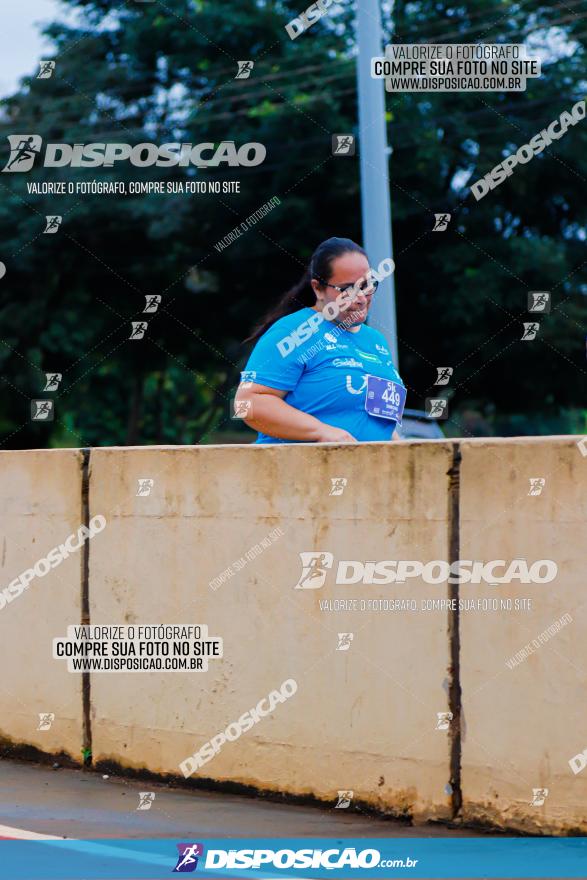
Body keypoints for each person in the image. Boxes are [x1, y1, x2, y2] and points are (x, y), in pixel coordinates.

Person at [235, 237, 406, 444]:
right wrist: (321, 431)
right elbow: (248, 402)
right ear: (318, 288)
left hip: (365, 472)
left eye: (367, 286)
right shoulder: (294, 331)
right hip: (300, 471)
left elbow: (373, 419)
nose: (361, 297)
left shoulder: (375, 340)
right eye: (347, 289)